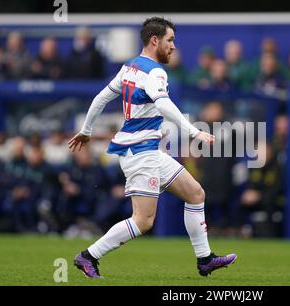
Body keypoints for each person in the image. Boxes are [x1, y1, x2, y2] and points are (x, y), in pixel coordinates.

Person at [69, 17, 237, 278]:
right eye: (170, 40)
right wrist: (194, 131)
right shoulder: (155, 71)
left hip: (147, 152)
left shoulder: (130, 67)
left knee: (195, 194)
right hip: (140, 153)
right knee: (143, 221)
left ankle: (205, 259)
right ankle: (88, 256)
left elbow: (101, 97)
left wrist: (86, 130)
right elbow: (163, 104)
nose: (173, 47)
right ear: (155, 40)